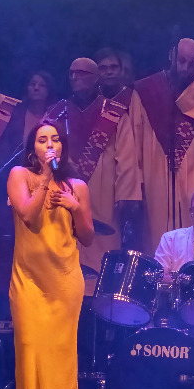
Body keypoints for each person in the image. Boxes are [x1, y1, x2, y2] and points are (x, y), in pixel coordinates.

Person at [7, 121, 93, 389]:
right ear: (33, 147)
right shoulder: (19, 175)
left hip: (65, 280)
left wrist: (74, 206)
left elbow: (87, 236)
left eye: (55, 139)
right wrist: (45, 178)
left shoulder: (77, 186)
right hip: (28, 280)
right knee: (29, 351)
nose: (49, 145)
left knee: (60, 355)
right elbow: (30, 218)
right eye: (43, 140)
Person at [128, 37, 194, 250]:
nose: (185, 68)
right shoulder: (146, 89)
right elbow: (134, 139)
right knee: (158, 235)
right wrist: (135, 185)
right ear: (171, 55)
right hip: (155, 172)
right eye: (181, 61)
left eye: (192, 63)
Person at [62, 56, 140, 274]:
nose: (75, 77)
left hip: (103, 190)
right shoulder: (58, 112)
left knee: (101, 249)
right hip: (66, 188)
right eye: (71, 73)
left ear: (96, 78)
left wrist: (125, 196)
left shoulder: (113, 113)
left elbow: (126, 156)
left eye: (81, 73)